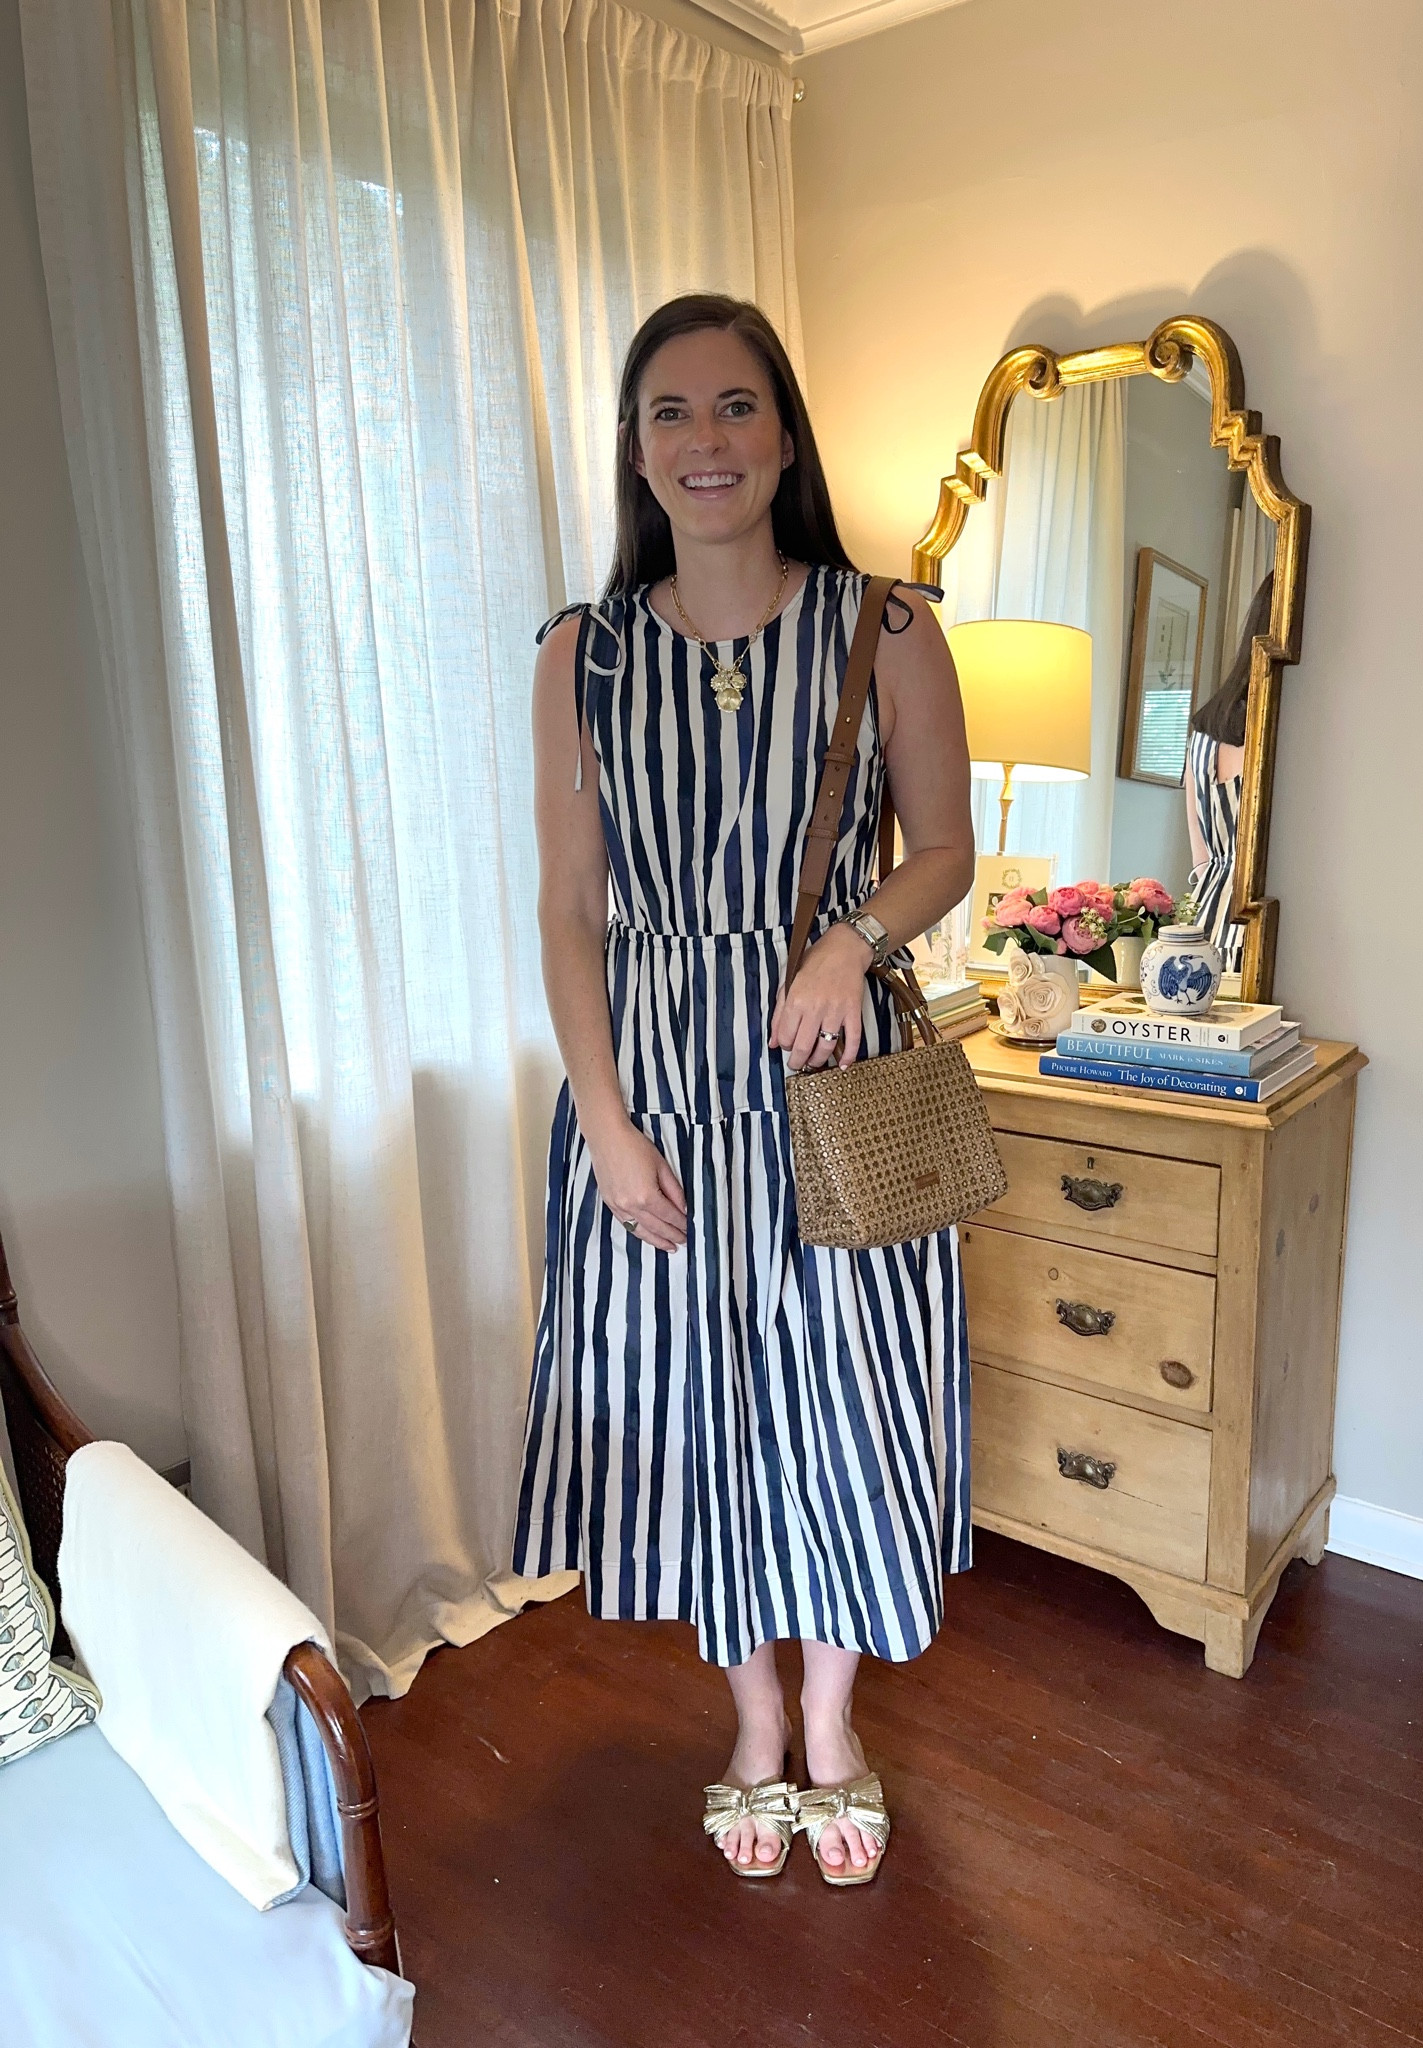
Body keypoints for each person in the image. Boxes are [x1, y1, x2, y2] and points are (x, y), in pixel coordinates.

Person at [511, 294, 975, 1888]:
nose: (704, 443)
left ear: (783, 434)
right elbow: (572, 908)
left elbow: (945, 854)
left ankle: (836, 1727)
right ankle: (755, 1729)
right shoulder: (582, 653)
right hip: (652, 1094)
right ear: (636, 452)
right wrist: (608, 1120)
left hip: (833, 1084)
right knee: (699, 1417)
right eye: (669, 415)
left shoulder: (888, 630)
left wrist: (851, 939)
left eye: (733, 409)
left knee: (844, 1416)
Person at [1184, 571, 1274, 973]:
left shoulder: (1204, 731)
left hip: (1203, 921)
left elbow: (1201, 858)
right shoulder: (1276, 727)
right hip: (1257, 927)